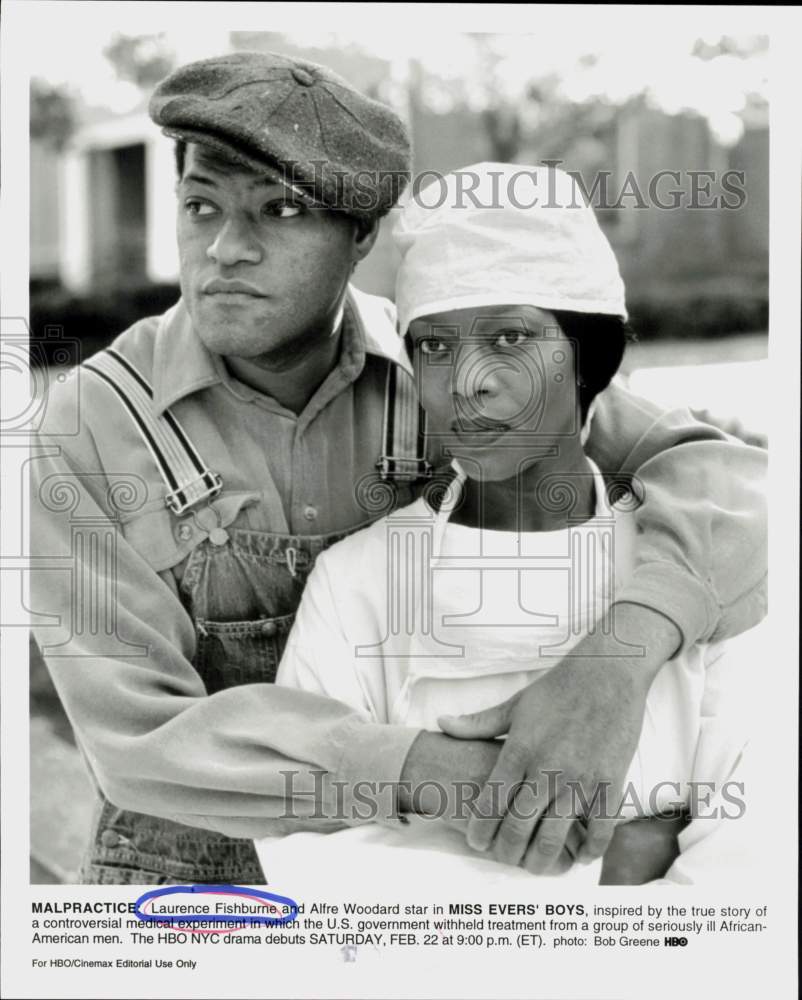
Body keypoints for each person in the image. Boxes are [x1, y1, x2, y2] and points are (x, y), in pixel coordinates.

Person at [30, 51, 766, 886]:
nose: (227, 249)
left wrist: (614, 662)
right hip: (180, 884)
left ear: (360, 237)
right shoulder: (92, 423)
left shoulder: (447, 365)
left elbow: (727, 479)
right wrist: (449, 776)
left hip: (424, 884)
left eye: (279, 209)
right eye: (201, 206)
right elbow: (134, 737)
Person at [263, 164, 751, 886]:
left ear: (587, 356)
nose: (467, 381)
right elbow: (311, 854)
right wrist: (610, 866)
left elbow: (751, 873)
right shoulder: (357, 584)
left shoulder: (704, 574)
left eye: (512, 338)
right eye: (433, 346)